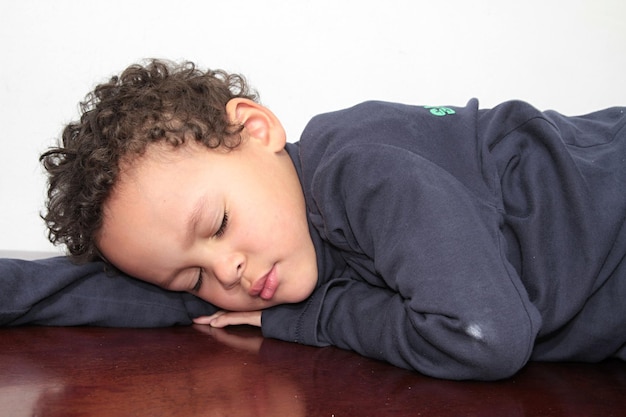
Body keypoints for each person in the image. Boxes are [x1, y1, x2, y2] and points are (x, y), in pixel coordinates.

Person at [2, 59, 625, 381]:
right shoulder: (271, 243)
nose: (227, 272)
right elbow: (134, 293)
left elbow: (483, 336)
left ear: (256, 130)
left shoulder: (364, 171)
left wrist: (315, 317)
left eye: (216, 225)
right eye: (191, 277)